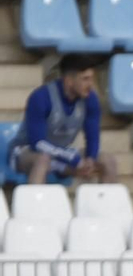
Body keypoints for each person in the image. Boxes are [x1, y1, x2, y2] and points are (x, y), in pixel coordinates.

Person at [10, 55, 116, 185]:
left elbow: (93, 136)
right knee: (43, 160)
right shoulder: (41, 97)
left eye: (91, 79)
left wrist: (90, 159)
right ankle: (35, 204)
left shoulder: (90, 99)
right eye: (85, 79)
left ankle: (107, 204)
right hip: (26, 153)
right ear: (69, 80)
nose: (90, 85)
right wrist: (73, 159)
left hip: (61, 152)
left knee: (107, 160)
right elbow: (37, 143)